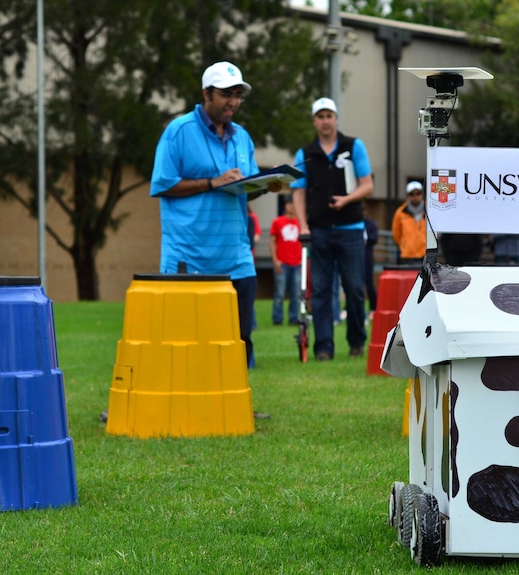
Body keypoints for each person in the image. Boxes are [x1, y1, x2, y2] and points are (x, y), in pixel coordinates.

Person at [150, 61, 263, 378]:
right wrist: (214, 182)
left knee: (240, 340)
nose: (233, 102)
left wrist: (265, 186)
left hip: (237, 258)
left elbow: (243, 188)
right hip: (188, 258)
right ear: (206, 94)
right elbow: (163, 184)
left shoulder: (243, 137)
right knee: (182, 344)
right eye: (226, 94)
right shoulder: (179, 131)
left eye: (238, 95)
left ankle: (238, 406)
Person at [291, 97, 373, 361]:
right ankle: (323, 347)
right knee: (322, 291)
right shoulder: (305, 153)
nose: (325, 121)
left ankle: (357, 341)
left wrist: (346, 200)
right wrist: (303, 225)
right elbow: (298, 193)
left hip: (350, 227)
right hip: (319, 231)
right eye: (321, 116)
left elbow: (367, 185)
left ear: (336, 119)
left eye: (330, 116)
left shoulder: (353, 146)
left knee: (354, 288)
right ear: (314, 121)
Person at [269, 196, 301, 326]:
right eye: (289, 203)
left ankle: (293, 318)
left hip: (297, 263)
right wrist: (275, 260)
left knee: (296, 294)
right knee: (279, 294)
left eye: (294, 203)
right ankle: (277, 319)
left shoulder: (300, 222)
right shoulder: (278, 222)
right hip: (282, 262)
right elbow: (271, 242)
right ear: (285, 205)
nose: (292, 206)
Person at [391, 180, 426, 266]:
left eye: (418, 193)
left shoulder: (429, 210)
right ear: (408, 196)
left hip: (425, 255)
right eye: (412, 194)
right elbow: (396, 233)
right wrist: (405, 246)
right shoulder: (400, 212)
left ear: (422, 194)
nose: (415, 196)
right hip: (407, 256)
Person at [363, 208, 379, 320]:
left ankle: (373, 308)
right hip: (355, 258)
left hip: (367, 258)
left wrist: (366, 239)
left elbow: (374, 238)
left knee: (369, 284)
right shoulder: (355, 223)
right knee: (355, 286)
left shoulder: (371, 224)